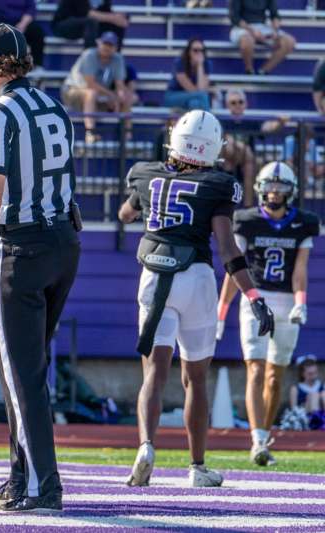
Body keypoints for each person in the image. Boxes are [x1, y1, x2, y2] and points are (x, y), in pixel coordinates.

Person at [0, 24, 81, 514]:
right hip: (63, 242)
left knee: (21, 374)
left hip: (20, 247)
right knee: (27, 370)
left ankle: (41, 485)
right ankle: (20, 474)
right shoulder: (55, 106)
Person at [118, 110, 274, 488]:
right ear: (212, 149)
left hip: (153, 276)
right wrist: (252, 295)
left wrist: (151, 209)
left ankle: (146, 446)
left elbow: (125, 214)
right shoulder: (219, 184)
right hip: (196, 279)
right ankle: (197, 467)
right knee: (195, 379)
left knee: (153, 372)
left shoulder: (145, 173)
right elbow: (226, 247)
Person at [216, 162, 320, 465]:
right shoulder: (247, 220)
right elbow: (233, 268)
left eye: (281, 187)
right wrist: (221, 313)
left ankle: (265, 431)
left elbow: (300, 268)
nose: (274, 193)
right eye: (270, 187)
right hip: (256, 297)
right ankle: (257, 440)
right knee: (256, 369)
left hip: (287, 300)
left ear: (291, 192)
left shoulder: (304, 222)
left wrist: (301, 300)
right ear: (260, 189)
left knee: (275, 377)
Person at [61, 32, 131, 143]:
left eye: (110, 45)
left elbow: (120, 84)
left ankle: (127, 134)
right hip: (72, 91)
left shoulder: (118, 59)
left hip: (98, 95)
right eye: (105, 44)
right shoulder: (89, 55)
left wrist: (120, 96)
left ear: (115, 48)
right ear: (99, 43)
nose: (107, 47)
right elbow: (90, 83)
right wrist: (111, 95)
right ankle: (90, 132)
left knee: (128, 96)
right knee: (91, 93)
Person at [229, 0, 296, 75]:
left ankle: (264, 71)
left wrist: (275, 30)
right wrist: (252, 31)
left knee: (289, 42)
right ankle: (249, 70)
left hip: (262, 26)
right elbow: (235, 18)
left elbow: (275, 15)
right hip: (242, 27)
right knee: (247, 41)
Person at [51, 0, 128, 50]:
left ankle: (115, 57)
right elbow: (87, 13)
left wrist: (119, 18)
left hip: (89, 27)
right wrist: (113, 18)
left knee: (118, 23)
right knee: (91, 22)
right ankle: (90, 57)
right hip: (63, 25)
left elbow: (106, 12)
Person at [164, 39, 214, 111]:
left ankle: (196, 122)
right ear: (189, 52)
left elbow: (201, 89)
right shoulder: (180, 63)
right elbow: (193, 91)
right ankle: (208, 120)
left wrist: (200, 66)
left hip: (193, 98)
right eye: (195, 50)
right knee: (203, 96)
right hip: (174, 96)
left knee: (194, 103)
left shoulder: (206, 64)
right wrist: (202, 93)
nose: (199, 53)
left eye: (201, 50)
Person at [288, 355, 325, 430]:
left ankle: (320, 421)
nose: (313, 376)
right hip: (305, 418)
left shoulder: (321, 386)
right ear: (302, 374)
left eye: (315, 373)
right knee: (313, 395)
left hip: (322, 414)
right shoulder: (295, 388)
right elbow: (294, 411)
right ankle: (316, 422)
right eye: (310, 374)